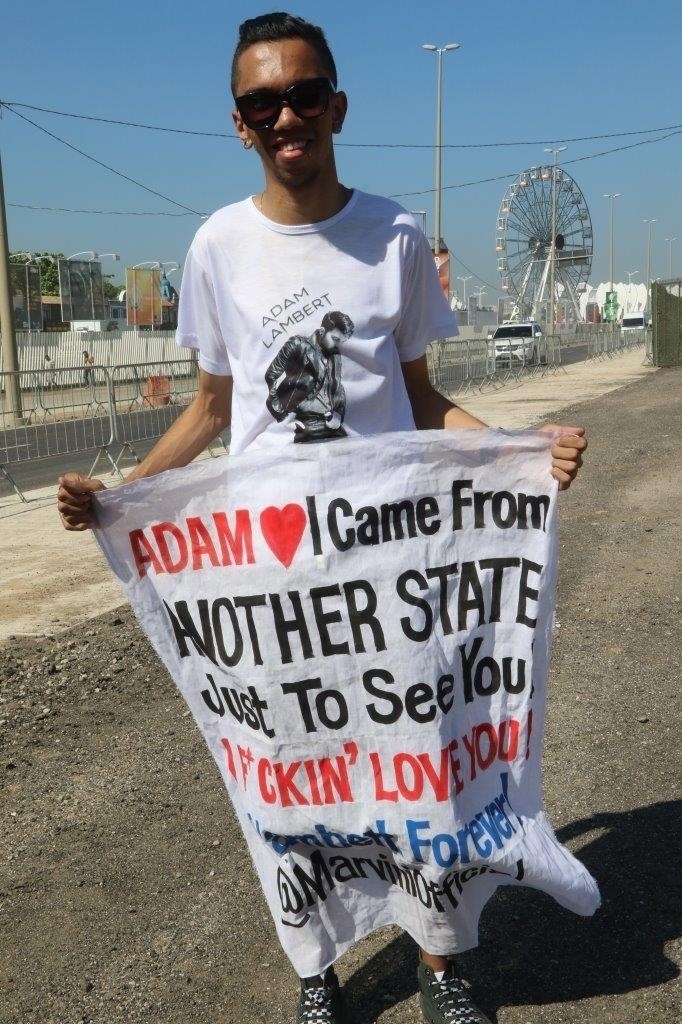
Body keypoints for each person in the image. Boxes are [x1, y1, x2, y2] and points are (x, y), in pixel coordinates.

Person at [58, 13, 587, 1024]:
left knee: (421, 759)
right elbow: (211, 409)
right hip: (270, 577)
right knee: (286, 774)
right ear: (240, 123)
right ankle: (316, 965)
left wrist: (522, 453)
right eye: (262, 103)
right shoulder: (217, 246)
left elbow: (422, 400)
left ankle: (441, 964)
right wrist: (120, 495)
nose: (285, 116)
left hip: (391, 565)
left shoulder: (394, 236)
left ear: (336, 106)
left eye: (303, 95)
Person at [265, 309, 353, 441]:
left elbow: (338, 386)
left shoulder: (335, 355)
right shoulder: (298, 344)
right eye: (335, 339)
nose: (337, 344)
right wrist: (280, 412)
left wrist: (338, 414)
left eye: (341, 341)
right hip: (303, 420)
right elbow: (271, 375)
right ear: (322, 331)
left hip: (329, 422)